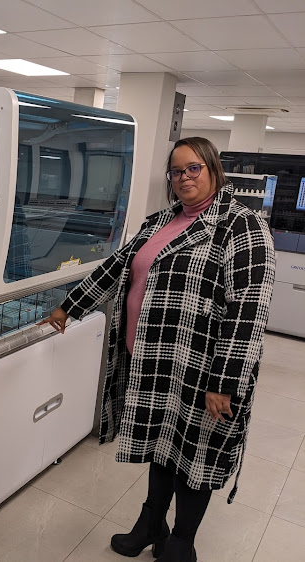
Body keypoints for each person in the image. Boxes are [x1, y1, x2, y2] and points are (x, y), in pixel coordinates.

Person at [39, 137, 275, 562]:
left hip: (202, 369)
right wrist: (68, 307)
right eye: (176, 171)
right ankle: (152, 523)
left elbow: (248, 311)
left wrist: (223, 383)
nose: (183, 178)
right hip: (151, 360)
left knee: (195, 454)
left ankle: (182, 544)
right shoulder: (160, 221)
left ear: (213, 169)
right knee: (164, 445)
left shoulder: (241, 226)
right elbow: (117, 268)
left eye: (193, 168)